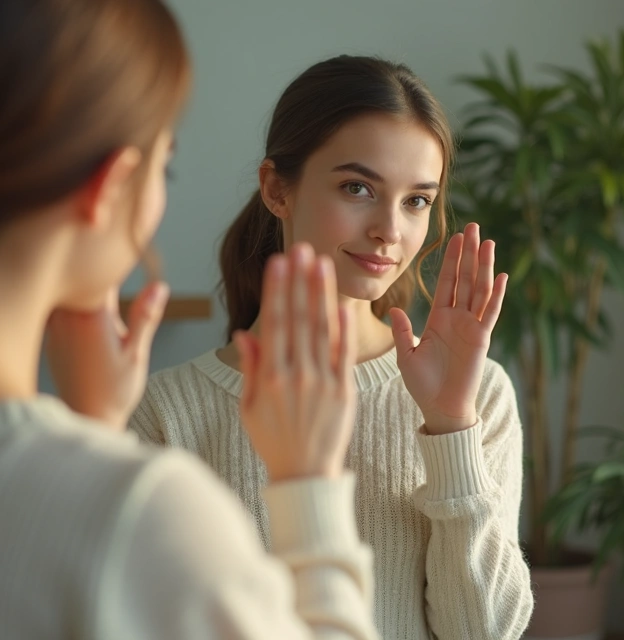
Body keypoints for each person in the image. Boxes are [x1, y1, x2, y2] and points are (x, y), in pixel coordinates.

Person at [0, 1, 375, 638]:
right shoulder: (143, 517)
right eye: (162, 164)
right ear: (110, 186)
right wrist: (309, 483)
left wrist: (94, 434)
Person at [131, 55, 534, 639]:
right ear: (276, 189)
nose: (390, 230)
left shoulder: (477, 394)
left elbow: (484, 632)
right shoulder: (168, 414)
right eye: (357, 187)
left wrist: (451, 427)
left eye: (417, 200)